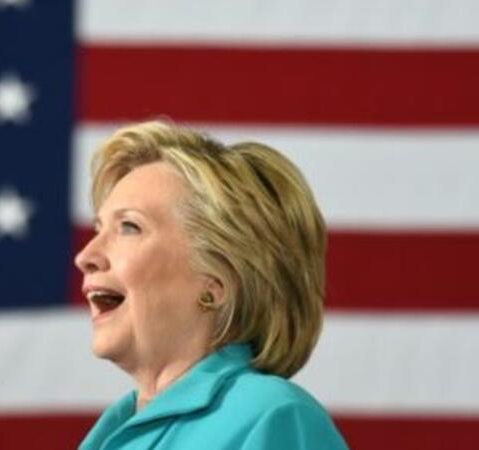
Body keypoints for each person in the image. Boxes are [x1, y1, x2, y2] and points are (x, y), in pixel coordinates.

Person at [74, 120, 349, 449]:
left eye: (129, 227)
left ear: (216, 284)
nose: (85, 256)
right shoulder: (111, 433)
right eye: (99, 229)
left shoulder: (274, 417)